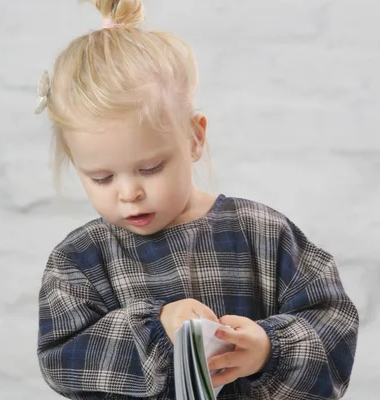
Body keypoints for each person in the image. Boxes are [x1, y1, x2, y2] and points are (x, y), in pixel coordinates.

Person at [35, 1, 359, 398]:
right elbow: (62, 362)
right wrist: (156, 328)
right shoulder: (79, 260)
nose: (129, 193)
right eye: (101, 177)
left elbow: (334, 322)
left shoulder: (261, 233)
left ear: (194, 138)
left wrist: (267, 351)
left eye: (150, 168)